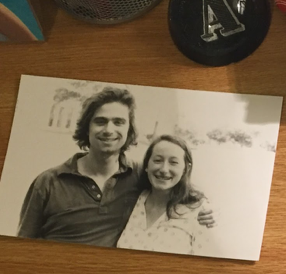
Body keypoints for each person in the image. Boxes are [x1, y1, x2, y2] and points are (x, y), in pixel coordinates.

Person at [17, 87, 213, 246]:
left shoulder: (138, 175)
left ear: (129, 130)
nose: (109, 130)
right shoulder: (48, 183)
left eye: (118, 122)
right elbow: (22, 245)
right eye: (100, 122)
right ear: (87, 128)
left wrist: (203, 211)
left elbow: (172, 178)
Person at [116, 135, 213, 256]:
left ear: (185, 169)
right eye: (158, 160)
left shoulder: (199, 213)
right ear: (146, 165)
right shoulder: (133, 200)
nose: (164, 169)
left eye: (173, 162)